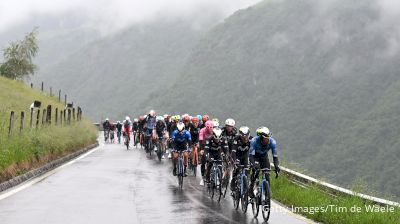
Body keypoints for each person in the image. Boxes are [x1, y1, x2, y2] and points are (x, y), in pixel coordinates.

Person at [248, 126, 280, 198]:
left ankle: (267, 191)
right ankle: (251, 186)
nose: (267, 140)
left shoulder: (272, 142)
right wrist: (253, 164)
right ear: (261, 138)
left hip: (264, 157)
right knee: (256, 170)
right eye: (265, 138)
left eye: (268, 138)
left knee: (267, 173)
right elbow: (251, 156)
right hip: (255, 156)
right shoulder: (254, 141)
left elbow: (275, 157)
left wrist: (277, 166)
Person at [230, 126, 251, 192]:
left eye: (246, 137)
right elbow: (233, 152)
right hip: (237, 155)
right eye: (243, 137)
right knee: (236, 169)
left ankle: (246, 181)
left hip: (245, 156)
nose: (245, 139)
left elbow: (254, 152)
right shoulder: (236, 139)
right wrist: (234, 162)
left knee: (247, 169)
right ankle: (233, 181)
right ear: (240, 135)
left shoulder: (251, 139)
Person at [199, 120, 214, 185]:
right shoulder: (202, 130)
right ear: (206, 127)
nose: (210, 129)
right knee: (203, 161)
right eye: (208, 128)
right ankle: (202, 178)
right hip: (204, 145)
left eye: (211, 127)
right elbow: (200, 140)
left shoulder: (214, 131)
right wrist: (201, 149)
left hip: (212, 146)